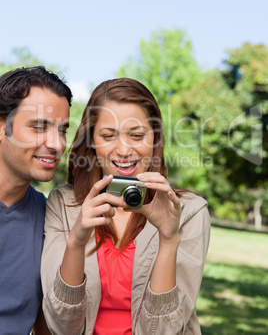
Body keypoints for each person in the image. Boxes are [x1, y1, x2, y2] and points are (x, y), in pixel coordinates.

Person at [41, 78, 210, 335]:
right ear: (92, 142)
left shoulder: (189, 211)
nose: (124, 149)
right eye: (108, 136)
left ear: (155, 139)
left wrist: (168, 239)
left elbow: (163, 331)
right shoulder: (62, 204)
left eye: (137, 135)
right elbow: (61, 326)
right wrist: (76, 240)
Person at [0, 66, 72, 335]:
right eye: (39, 127)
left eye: (62, 130)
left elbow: (46, 323)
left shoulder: (50, 217)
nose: (57, 144)